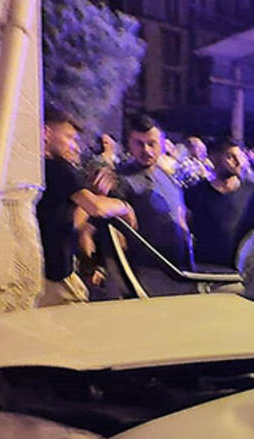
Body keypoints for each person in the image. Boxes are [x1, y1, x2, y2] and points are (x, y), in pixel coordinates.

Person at [36, 107, 136, 307]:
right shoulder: (58, 166)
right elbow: (96, 207)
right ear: (45, 133)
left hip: (46, 269)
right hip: (55, 275)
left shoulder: (39, 168)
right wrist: (124, 207)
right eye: (69, 137)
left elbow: (71, 219)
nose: (75, 147)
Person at [115, 114, 195, 296]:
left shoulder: (167, 176)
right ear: (129, 144)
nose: (146, 150)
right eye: (139, 143)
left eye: (151, 143)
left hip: (181, 271)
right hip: (147, 273)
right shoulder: (120, 180)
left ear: (162, 144)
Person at [184, 137, 254, 269]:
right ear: (214, 158)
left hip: (241, 269)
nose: (238, 162)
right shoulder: (196, 193)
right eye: (230, 156)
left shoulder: (252, 191)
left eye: (239, 156)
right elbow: (185, 226)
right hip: (206, 268)